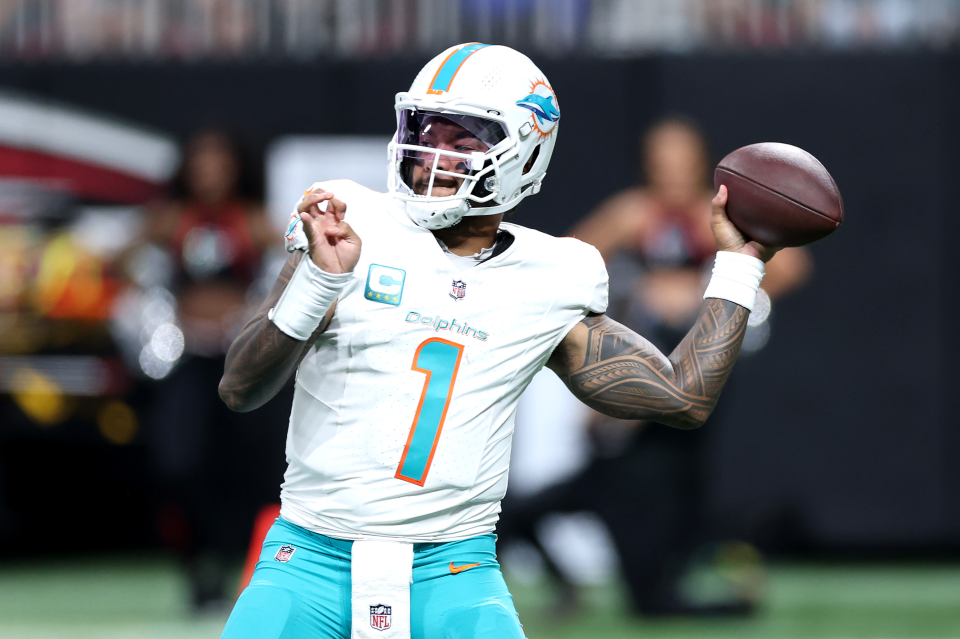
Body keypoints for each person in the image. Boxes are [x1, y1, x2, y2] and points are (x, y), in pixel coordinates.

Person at [217, 44, 780, 639]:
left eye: (462, 141)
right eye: (425, 131)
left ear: (523, 155)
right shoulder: (350, 222)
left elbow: (684, 397)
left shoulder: (551, 275)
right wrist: (317, 282)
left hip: (453, 569)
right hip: (309, 557)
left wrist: (738, 266)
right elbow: (239, 388)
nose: (432, 153)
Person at [499, 118, 812, 616]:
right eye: (660, 160)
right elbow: (560, 263)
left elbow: (790, 267)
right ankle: (689, 580)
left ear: (701, 165)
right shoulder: (634, 213)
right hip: (638, 374)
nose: (670, 172)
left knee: (674, 488)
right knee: (607, 499)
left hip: (693, 372)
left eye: (680, 160)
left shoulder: (722, 220)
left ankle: (707, 572)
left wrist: (709, 295)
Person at [127, 131, 281, 609]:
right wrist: (153, 305)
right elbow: (117, 260)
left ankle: (247, 569)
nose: (209, 171)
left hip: (240, 362)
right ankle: (196, 567)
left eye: (219, 161)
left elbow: (301, 259)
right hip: (188, 360)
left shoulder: (254, 222)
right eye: (201, 162)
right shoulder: (170, 220)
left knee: (251, 471)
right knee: (177, 465)